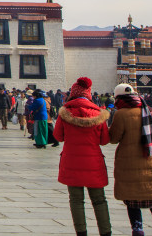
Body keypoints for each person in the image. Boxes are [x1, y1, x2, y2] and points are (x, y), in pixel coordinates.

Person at [53, 77, 112, 236]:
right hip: (94, 162)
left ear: (73, 93)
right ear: (89, 94)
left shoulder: (65, 112)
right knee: (99, 200)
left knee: (76, 200)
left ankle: (81, 232)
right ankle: (106, 232)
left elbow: (58, 136)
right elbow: (105, 140)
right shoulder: (98, 113)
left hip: (71, 162)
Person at [109, 83, 152, 236]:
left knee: (133, 200)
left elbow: (113, 138)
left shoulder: (121, 114)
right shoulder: (150, 112)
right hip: (151, 162)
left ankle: (138, 229)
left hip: (130, 164)